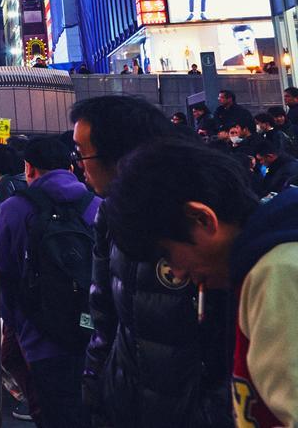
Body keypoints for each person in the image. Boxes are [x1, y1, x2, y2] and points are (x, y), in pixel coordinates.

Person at [104, 143, 298, 427]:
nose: (178, 274)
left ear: (203, 218)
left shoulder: (277, 271)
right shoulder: (261, 262)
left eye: (167, 256)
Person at [69, 96, 232, 428]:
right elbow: (104, 315)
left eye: (82, 153)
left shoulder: (196, 222)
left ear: (119, 156)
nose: (78, 165)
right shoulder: (108, 213)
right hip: (124, 402)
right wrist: (97, 386)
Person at [0, 135, 100, 428]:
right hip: (96, 333)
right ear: (70, 166)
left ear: (28, 168)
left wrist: (17, 324)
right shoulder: (98, 205)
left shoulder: (13, 208)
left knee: (54, 412)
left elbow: (6, 271)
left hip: (41, 337)